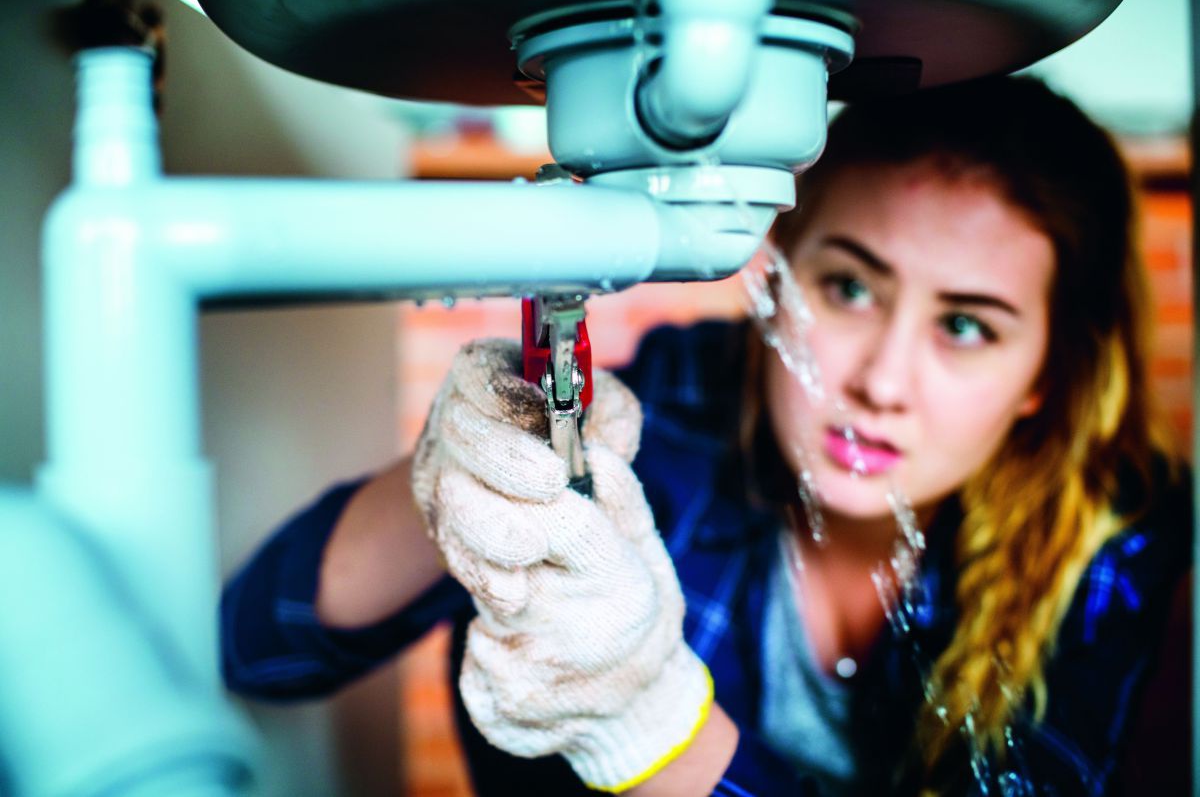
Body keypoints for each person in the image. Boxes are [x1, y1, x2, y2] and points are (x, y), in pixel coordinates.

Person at [219, 76, 1192, 796]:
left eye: (966, 325)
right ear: (774, 276)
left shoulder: (1118, 540)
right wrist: (443, 482)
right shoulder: (680, 406)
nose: (880, 381)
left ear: (1046, 375)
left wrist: (650, 727)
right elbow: (259, 647)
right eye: (849, 286)